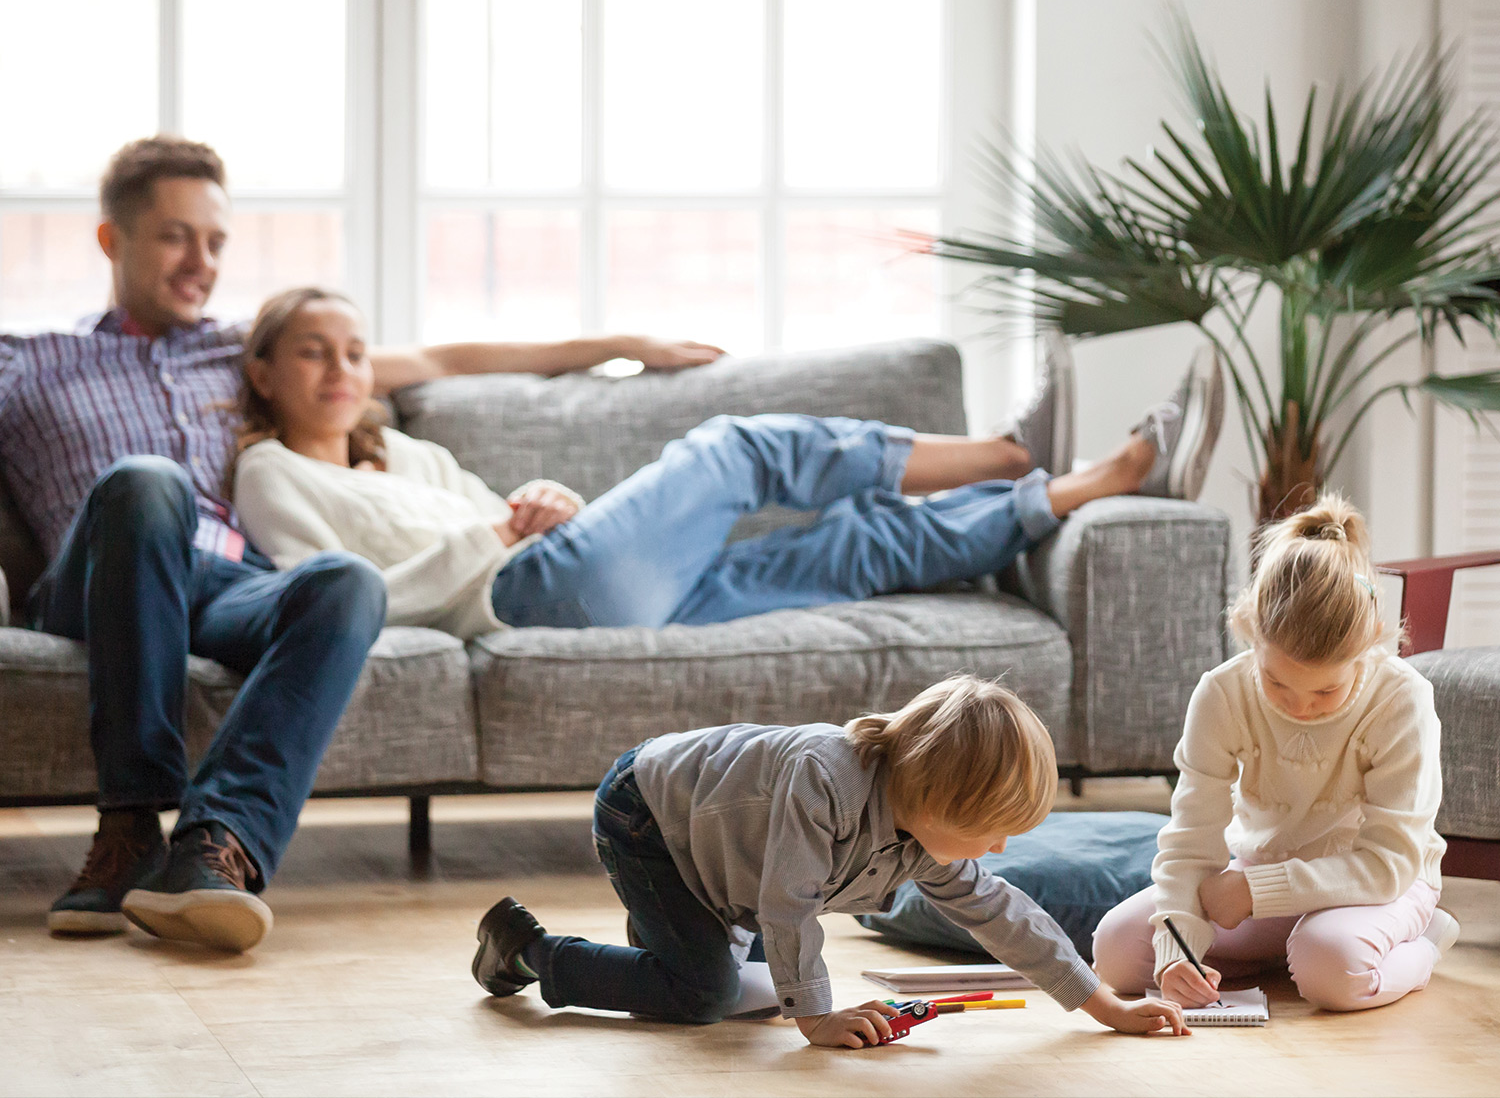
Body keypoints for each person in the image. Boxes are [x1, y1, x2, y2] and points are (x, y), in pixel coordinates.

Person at [0, 135, 723, 951]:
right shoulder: (30, 362)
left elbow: (440, 358)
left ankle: (214, 849)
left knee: (343, 580)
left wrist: (622, 346)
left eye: (215, 240)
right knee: (148, 481)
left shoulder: (236, 352)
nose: (200, 260)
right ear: (112, 239)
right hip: (98, 582)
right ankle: (129, 824)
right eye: (175, 236)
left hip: (221, 582)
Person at [230, 287, 1226, 637]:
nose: (340, 369)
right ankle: (1008, 451)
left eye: (354, 351)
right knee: (738, 447)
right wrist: (500, 533)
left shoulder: (404, 451)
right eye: (313, 351)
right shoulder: (271, 474)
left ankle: (1081, 484)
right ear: (264, 371)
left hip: (577, 571)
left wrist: (540, 498)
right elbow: (329, 597)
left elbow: (509, 509)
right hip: (525, 593)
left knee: (852, 548)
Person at [467, 676, 1189, 1044]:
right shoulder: (825, 777)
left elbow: (1005, 916)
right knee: (706, 997)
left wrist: (1107, 1007)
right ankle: (528, 950)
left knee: (742, 998)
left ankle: (668, 950)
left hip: (722, 855)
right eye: (989, 832)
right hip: (649, 818)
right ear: (936, 800)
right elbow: (788, 904)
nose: (997, 851)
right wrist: (817, 1018)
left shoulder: (925, 837)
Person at [1091, 495, 1458, 1012]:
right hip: (1260, 877)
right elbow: (1191, 841)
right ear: (1249, 630)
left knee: (1332, 971)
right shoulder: (1222, 692)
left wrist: (1255, 891)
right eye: (1277, 683)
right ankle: (1283, 950)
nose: (1300, 707)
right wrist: (1178, 951)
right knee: (1116, 954)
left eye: (1325, 693)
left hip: (1378, 886)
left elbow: (1388, 863)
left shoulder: (1402, 699)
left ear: (1371, 645)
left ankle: (1420, 945)